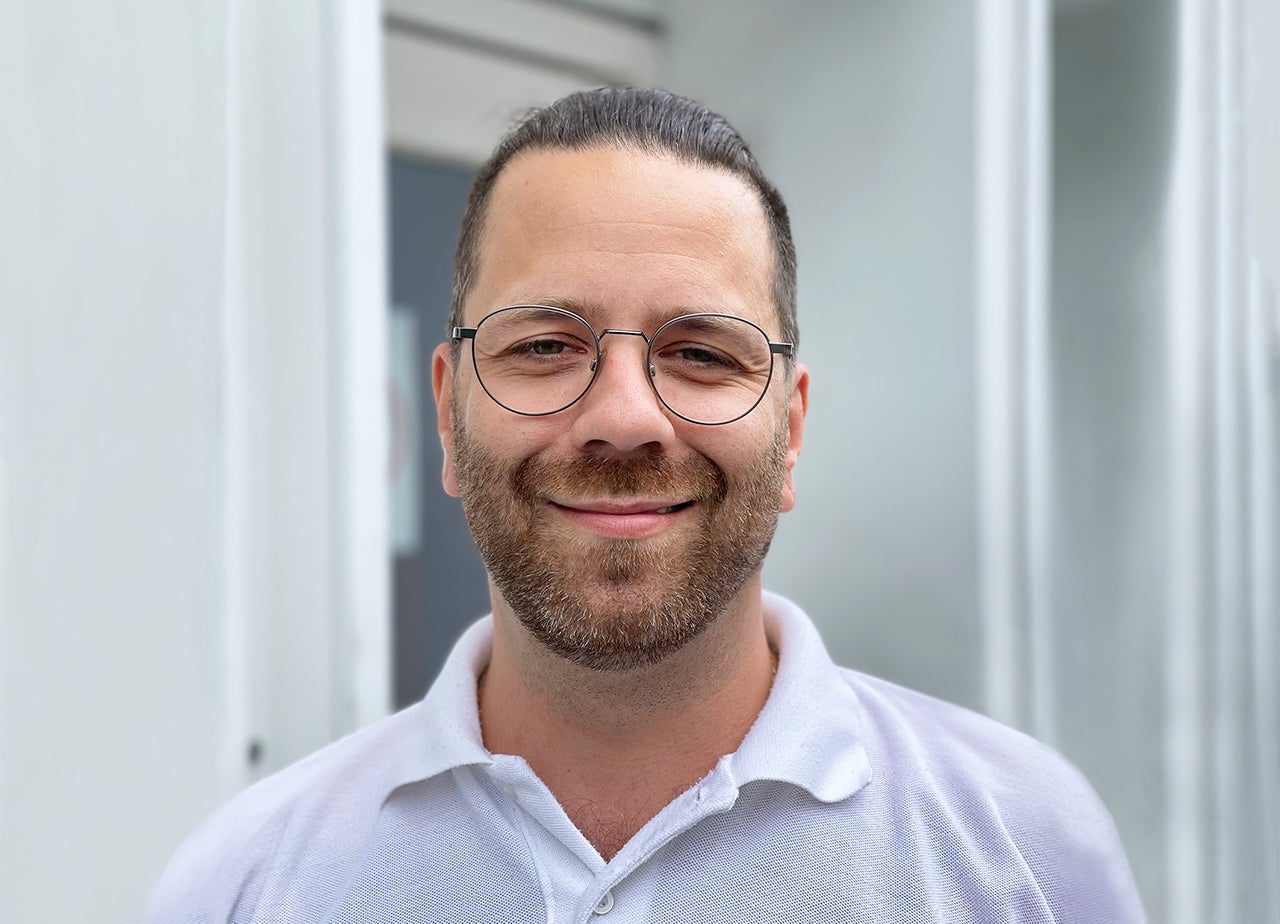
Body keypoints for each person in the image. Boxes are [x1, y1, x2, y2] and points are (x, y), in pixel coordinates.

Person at [150, 88, 1145, 923]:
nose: (623, 419)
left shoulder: (1024, 860)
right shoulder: (247, 887)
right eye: (542, 346)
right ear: (448, 418)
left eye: (700, 353)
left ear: (789, 430)